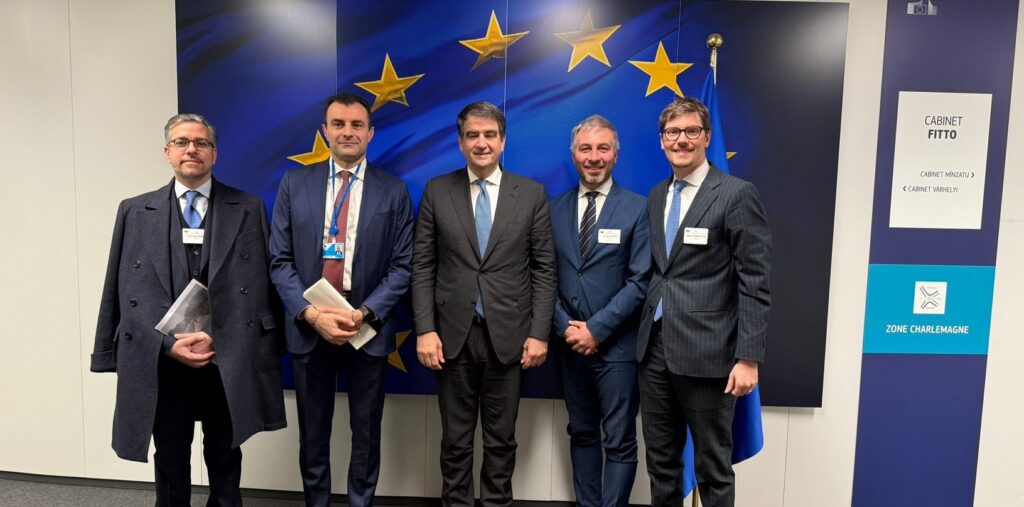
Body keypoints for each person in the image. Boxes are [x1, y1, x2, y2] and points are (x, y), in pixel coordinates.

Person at [92, 113, 287, 506]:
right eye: (181, 142)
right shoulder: (134, 210)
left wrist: (229, 339)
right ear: (167, 152)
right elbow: (121, 289)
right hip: (163, 357)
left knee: (226, 453)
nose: (191, 150)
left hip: (224, 354)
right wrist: (164, 345)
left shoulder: (248, 207)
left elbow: (258, 288)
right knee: (169, 455)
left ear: (215, 153)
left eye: (201, 143)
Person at [269, 93, 414, 507]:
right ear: (325, 131)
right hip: (310, 326)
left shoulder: (394, 191)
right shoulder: (294, 184)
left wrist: (364, 313)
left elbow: (403, 266)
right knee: (313, 432)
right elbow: (279, 261)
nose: (347, 132)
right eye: (338, 124)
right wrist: (312, 314)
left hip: (366, 328)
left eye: (356, 125)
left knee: (366, 432)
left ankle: (360, 503)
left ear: (370, 133)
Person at [411, 101, 557, 507]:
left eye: (490, 135)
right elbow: (422, 266)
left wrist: (539, 334)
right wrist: (425, 329)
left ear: (503, 141)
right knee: (455, 441)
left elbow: (545, 269)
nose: (481, 143)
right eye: (472, 135)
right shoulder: (437, 191)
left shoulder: (531, 194)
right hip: (451, 339)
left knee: (501, 440)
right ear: (460, 142)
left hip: (510, 338)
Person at [637, 97, 771, 507]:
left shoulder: (735, 194)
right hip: (654, 351)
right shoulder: (657, 195)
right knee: (661, 464)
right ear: (662, 140)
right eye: (673, 132)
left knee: (713, 468)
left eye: (691, 131)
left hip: (709, 354)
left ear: (707, 137)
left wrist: (749, 358)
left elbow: (755, 281)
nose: (682, 140)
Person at [548, 115, 650, 507]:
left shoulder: (638, 209)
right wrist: (566, 328)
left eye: (602, 148)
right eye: (585, 148)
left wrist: (597, 330)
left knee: (620, 440)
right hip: (570, 347)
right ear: (573, 154)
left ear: (615, 155)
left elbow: (640, 281)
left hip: (617, 349)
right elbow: (542, 277)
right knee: (582, 433)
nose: (594, 157)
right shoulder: (552, 209)